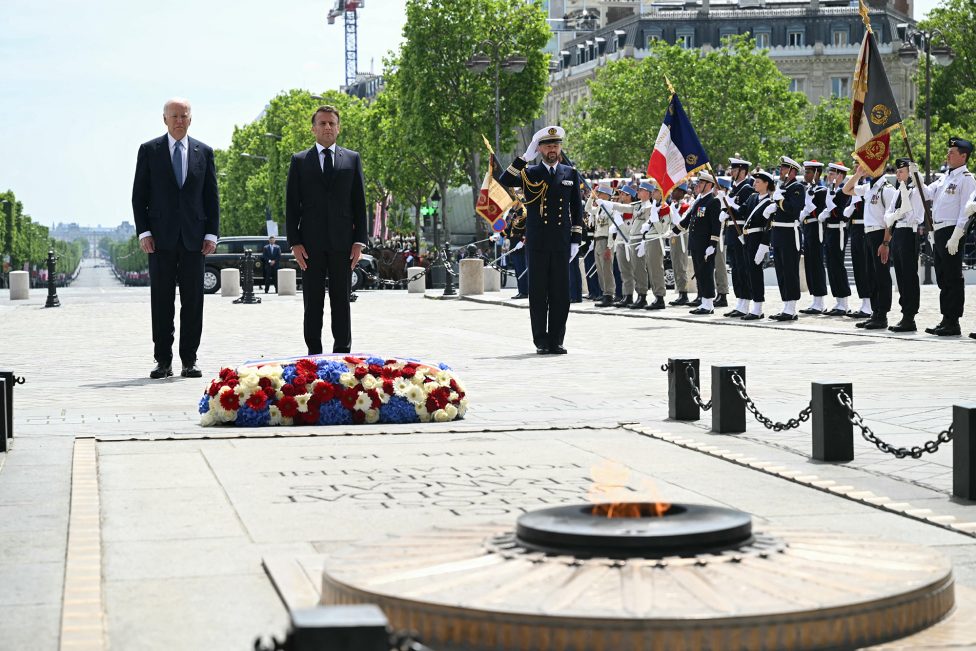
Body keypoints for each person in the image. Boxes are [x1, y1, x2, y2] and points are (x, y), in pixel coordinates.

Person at [132, 98, 219, 379]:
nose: (179, 120)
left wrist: (211, 234)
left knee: (193, 302)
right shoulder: (149, 151)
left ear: (190, 119)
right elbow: (139, 196)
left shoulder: (204, 152)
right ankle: (163, 361)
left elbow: (211, 197)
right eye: (174, 116)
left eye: (184, 115)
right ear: (164, 119)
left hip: (195, 239)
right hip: (160, 240)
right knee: (162, 301)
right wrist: (144, 232)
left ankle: (189, 360)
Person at [285, 105, 368, 355]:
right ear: (313, 129)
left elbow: (359, 203)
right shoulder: (299, 161)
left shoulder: (352, 159)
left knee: (341, 301)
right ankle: (314, 354)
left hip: (343, 244)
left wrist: (359, 242)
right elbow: (291, 205)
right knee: (313, 303)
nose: (327, 127)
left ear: (339, 128)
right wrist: (294, 243)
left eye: (332, 123)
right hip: (310, 245)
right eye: (322, 123)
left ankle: (342, 352)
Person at [498, 125, 584, 354]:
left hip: (561, 240)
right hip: (537, 240)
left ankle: (556, 340)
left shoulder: (570, 173)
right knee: (538, 293)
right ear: (540, 149)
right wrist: (525, 157)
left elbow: (577, 208)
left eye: (556, 146)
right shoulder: (530, 173)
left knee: (560, 294)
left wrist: (576, 239)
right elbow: (505, 179)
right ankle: (541, 341)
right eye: (547, 146)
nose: (552, 150)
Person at [923, 137, 975, 337]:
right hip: (939, 230)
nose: (948, 154)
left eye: (952, 152)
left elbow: (966, 210)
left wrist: (957, 235)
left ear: (964, 156)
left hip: (953, 230)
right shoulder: (944, 178)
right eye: (948, 151)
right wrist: (916, 175)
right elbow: (927, 194)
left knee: (952, 277)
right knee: (943, 277)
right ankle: (945, 318)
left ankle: (953, 321)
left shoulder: (966, 178)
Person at [843, 163, 896, 330]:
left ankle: (882, 314)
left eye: (869, 165)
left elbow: (891, 220)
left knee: (881, 276)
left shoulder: (887, 189)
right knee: (870, 275)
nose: (866, 168)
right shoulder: (869, 187)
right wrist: (858, 174)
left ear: (879, 168)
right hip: (868, 234)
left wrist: (885, 243)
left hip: (880, 235)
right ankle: (874, 312)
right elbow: (846, 189)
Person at [883, 158, 926, 332]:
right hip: (898, 233)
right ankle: (904, 314)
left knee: (909, 275)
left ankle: (910, 316)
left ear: (910, 172)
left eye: (901, 171)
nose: (898, 174)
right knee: (900, 275)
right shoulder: (897, 191)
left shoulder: (915, 190)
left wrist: (894, 216)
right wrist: (892, 217)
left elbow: (911, 212)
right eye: (897, 171)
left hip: (909, 231)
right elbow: (889, 212)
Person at [717, 158, 756, 317]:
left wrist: (731, 204)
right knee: (735, 268)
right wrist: (724, 211)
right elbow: (730, 210)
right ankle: (740, 302)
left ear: (742, 171)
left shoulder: (747, 188)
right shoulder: (734, 189)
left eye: (734, 170)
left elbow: (746, 211)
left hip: (741, 231)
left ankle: (745, 303)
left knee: (742, 267)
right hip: (732, 232)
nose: (731, 172)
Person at [768, 156, 805, 322]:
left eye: (784, 168)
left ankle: (791, 308)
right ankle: (786, 305)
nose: (781, 171)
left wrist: (780, 200)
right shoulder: (782, 187)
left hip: (790, 234)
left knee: (790, 271)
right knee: (781, 271)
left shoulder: (797, 187)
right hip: (778, 234)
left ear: (792, 171)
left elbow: (793, 209)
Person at [739, 170, 775, 320]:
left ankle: (758, 307)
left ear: (766, 184)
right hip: (747, 238)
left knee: (755, 273)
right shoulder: (753, 197)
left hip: (758, 238)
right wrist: (725, 204)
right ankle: (753, 306)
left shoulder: (770, 202)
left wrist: (764, 244)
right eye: (754, 181)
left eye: (758, 182)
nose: (754, 184)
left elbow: (769, 225)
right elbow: (742, 211)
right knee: (748, 271)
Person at [685, 171, 722, 315]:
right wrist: (675, 230)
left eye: (701, 182)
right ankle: (704, 302)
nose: (698, 185)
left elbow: (715, 225)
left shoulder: (713, 201)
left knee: (706, 273)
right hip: (696, 243)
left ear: (709, 184)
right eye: (698, 182)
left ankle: (708, 304)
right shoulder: (699, 200)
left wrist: (712, 244)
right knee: (699, 274)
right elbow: (689, 219)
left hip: (706, 245)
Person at [820, 163, 853, 316]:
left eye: (832, 174)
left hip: (839, 230)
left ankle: (843, 302)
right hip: (830, 231)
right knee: (831, 265)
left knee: (838, 265)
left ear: (840, 176)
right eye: (829, 173)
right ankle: (838, 300)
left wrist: (830, 208)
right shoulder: (832, 191)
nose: (829, 176)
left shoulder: (844, 191)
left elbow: (841, 214)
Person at [798, 160, 829, 314]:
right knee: (810, 263)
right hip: (808, 227)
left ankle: (820, 301)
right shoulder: (808, 189)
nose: (806, 175)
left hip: (817, 227)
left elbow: (823, 211)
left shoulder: (822, 190)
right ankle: (815, 299)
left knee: (816, 263)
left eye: (808, 172)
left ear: (817, 173)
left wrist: (811, 208)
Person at [585, 185, 615, 307]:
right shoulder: (599, 209)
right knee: (600, 269)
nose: (598, 195)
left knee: (607, 269)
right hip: (597, 240)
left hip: (605, 241)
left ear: (606, 196)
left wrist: (609, 247)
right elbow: (588, 208)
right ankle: (604, 293)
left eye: (600, 193)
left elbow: (612, 230)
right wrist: (591, 198)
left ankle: (609, 294)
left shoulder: (611, 209)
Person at [668, 183, 693, 305]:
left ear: (682, 192)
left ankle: (684, 293)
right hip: (673, 236)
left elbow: (681, 222)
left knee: (681, 265)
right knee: (675, 265)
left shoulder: (685, 206)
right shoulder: (673, 205)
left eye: (676, 190)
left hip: (681, 236)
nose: (673, 192)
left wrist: (673, 210)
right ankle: (680, 292)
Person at [503, 200, 528, 299]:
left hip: (521, 244)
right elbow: (507, 228)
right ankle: (521, 290)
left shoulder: (524, 212)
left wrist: (523, 241)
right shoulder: (512, 212)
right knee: (517, 269)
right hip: (513, 244)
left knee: (521, 268)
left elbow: (528, 229)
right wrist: (498, 235)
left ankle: (525, 291)